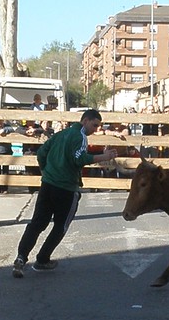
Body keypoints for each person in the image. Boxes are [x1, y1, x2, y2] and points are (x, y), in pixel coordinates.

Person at [12, 109, 117, 278]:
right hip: (66, 187)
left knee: (37, 223)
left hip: (48, 184)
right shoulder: (80, 137)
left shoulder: (61, 134)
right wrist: (103, 156)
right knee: (60, 225)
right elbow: (79, 159)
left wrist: (46, 171)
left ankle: (21, 257)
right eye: (94, 125)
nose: (95, 129)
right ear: (85, 121)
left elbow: (41, 153)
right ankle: (43, 258)